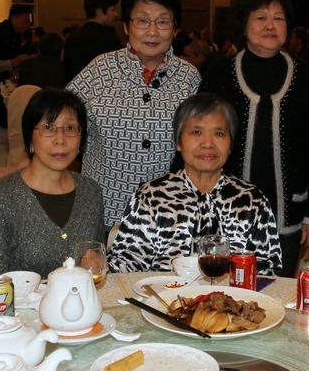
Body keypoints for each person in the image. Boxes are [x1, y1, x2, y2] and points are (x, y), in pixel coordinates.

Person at [200, 0, 309, 277]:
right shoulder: (220, 73)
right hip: (224, 214)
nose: (270, 25)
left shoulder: (305, 76)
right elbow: (197, 137)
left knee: (277, 291)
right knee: (223, 288)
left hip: (288, 215)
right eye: (260, 17)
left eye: (278, 18)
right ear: (244, 26)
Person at [65, 0, 201, 227]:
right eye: (142, 20)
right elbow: (59, 122)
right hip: (102, 211)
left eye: (163, 21)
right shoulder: (100, 69)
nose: (152, 31)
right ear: (127, 26)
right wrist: (26, 163)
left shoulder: (189, 78)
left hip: (165, 216)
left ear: (175, 29)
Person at [109, 93, 282, 274]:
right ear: (179, 142)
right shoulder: (151, 196)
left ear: (230, 144)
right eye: (196, 132)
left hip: (232, 292)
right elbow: (128, 262)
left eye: (219, 133)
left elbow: (267, 270)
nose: (208, 143)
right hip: (164, 291)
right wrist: (101, 264)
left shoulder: (251, 200)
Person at [0, 89, 105, 280]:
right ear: (30, 137)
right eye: (48, 128)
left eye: (70, 128)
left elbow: (96, 261)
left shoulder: (90, 192)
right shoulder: (0, 198)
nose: (60, 140)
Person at [63, 0, 122, 83]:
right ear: (99, 12)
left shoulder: (72, 38)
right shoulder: (109, 38)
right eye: (113, 10)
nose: (116, 14)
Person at [0, 4, 32, 77]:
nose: (28, 25)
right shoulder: (1, 32)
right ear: (14, 18)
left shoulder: (16, 33)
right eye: (25, 21)